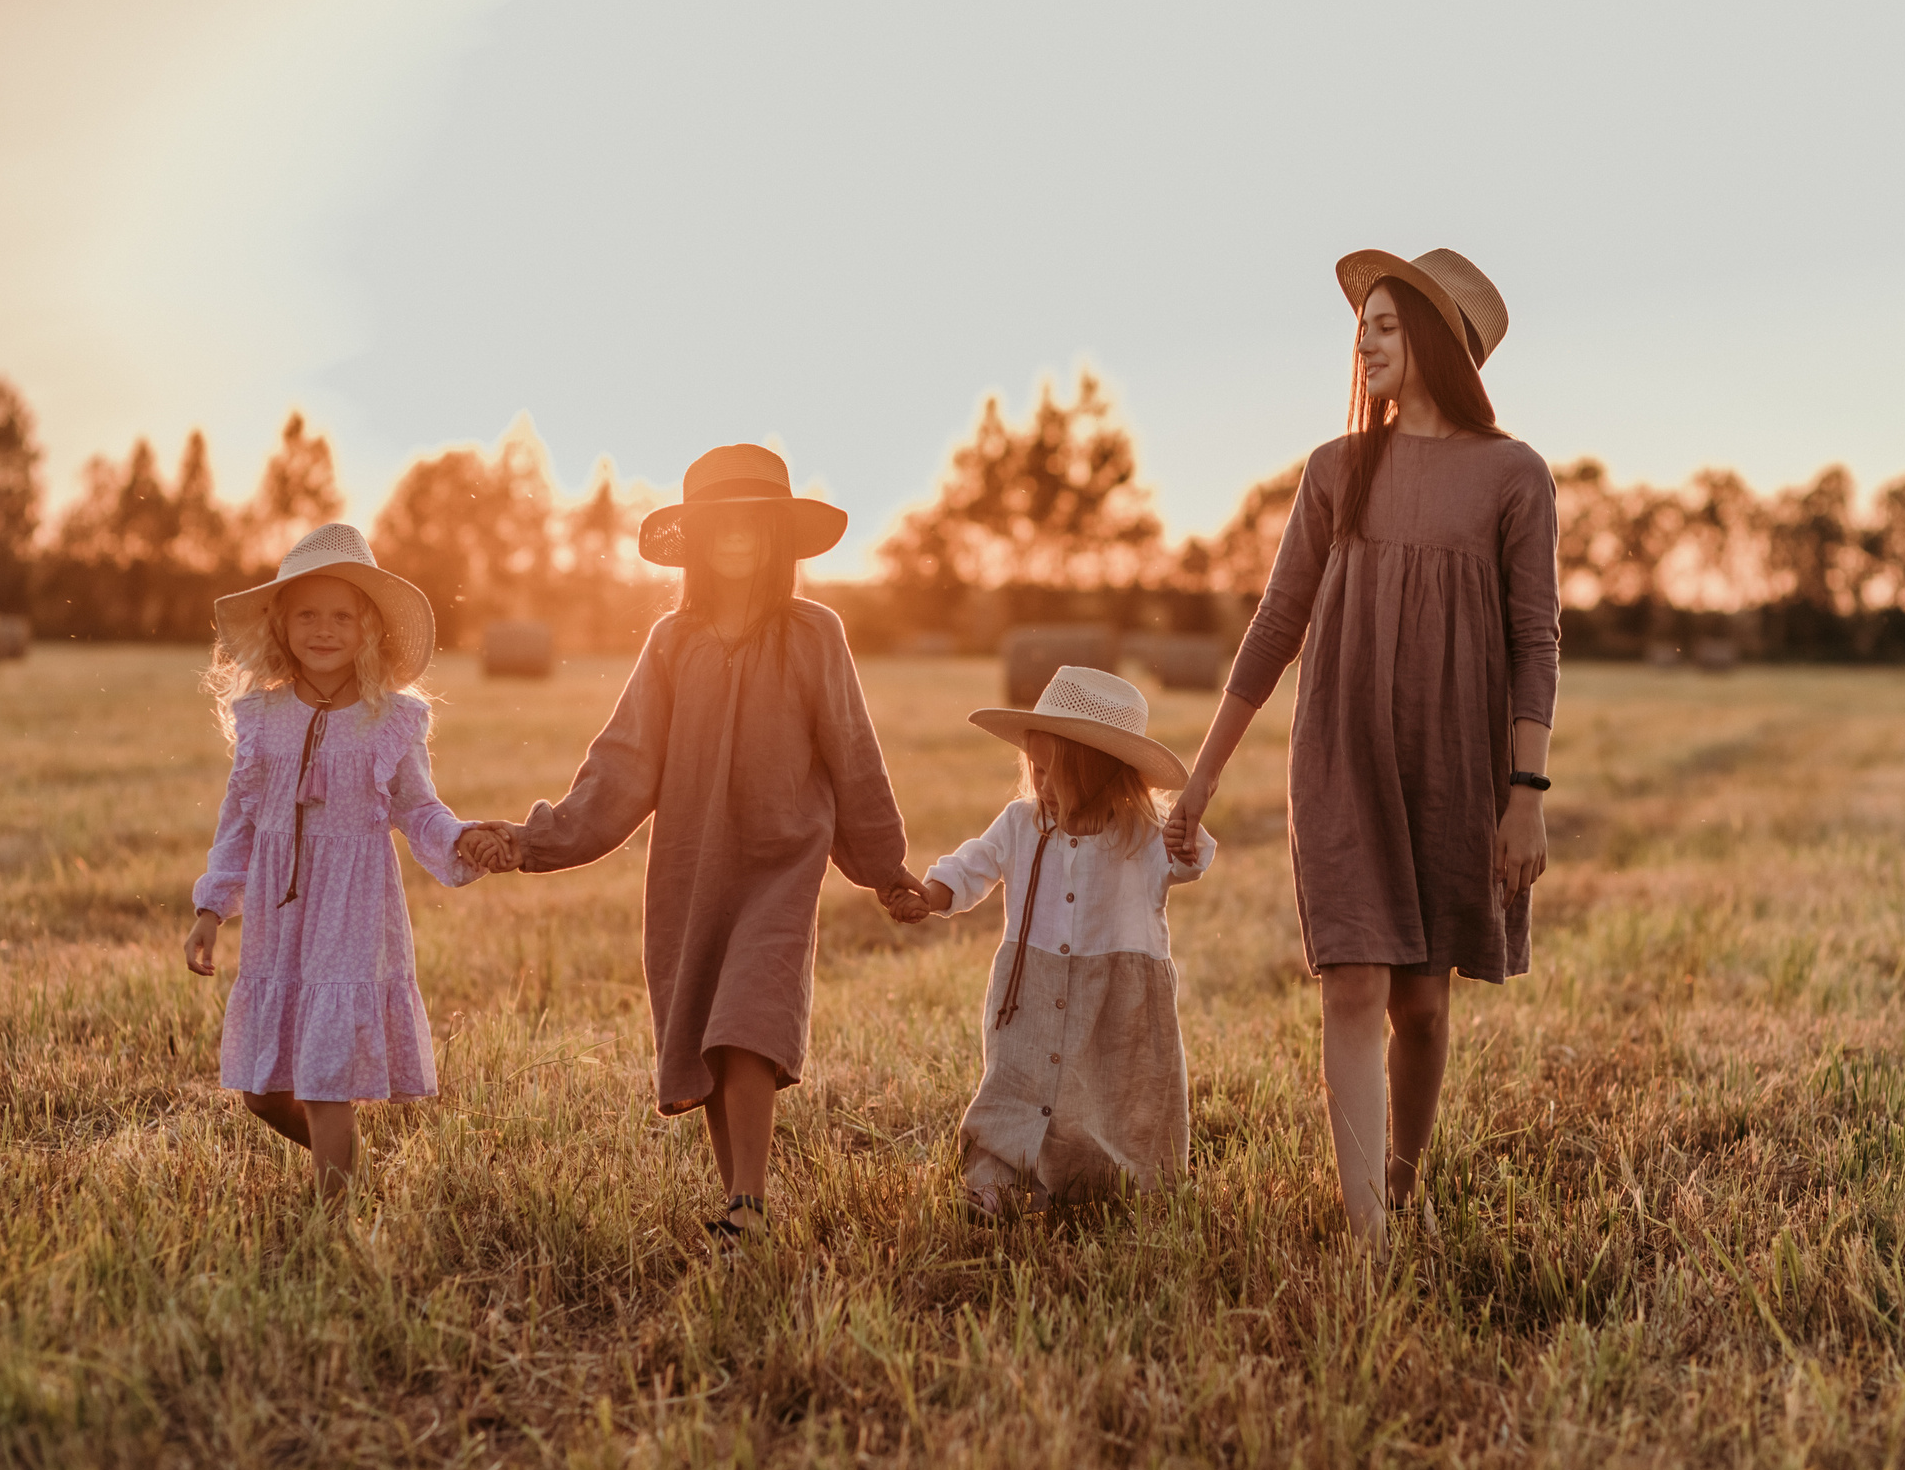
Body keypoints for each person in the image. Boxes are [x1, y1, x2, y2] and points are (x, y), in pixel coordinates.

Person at [1164, 247, 1560, 1250]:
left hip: (1454, 758)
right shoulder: (1335, 470)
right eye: (1363, 324)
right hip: (1339, 745)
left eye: (1388, 323)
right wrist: (1201, 775)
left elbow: (1534, 637)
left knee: (1421, 1006)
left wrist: (1526, 791)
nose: (1365, 339)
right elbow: (1274, 623)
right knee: (1352, 979)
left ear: (1438, 343)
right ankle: (1369, 1234)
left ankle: (1403, 1174)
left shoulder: (1514, 476)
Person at [462, 444, 924, 1249]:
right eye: (722, 522)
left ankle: (750, 1198)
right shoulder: (671, 642)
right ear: (699, 537)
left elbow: (854, 752)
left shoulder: (817, 633)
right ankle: (737, 1205)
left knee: (749, 1019)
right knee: (709, 1029)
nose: (738, 535)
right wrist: (534, 840)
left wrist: (884, 869)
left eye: (755, 521)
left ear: (779, 535)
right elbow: (622, 766)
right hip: (692, 865)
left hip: (782, 861)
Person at [186, 522, 497, 1201]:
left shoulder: (391, 719)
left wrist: (460, 839)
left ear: (368, 629)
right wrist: (212, 907)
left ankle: (334, 1218)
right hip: (279, 913)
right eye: (307, 614)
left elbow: (418, 808)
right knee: (264, 1092)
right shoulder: (262, 718)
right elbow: (239, 820)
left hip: (353, 909)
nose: (324, 629)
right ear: (281, 623)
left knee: (326, 1082)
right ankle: (348, 1169)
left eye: (341, 616)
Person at [893, 667, 1212, 1214]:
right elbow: (975, 862)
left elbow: (1192, 860)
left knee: (1118, 1095)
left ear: (1099, 775)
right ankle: (997, 1178)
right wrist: (935, 893)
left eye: (1052, 773)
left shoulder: (1145, 834)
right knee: (1016, 1083)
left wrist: (1186, 840)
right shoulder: (1021, 822)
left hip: (1122, 1001)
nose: (1039, 784)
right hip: (1030, 993)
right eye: (1034, 769)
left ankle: (1113, 1186)